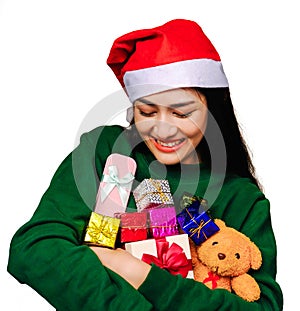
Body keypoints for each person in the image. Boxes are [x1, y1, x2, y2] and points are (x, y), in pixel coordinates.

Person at [7, 19, 283, 310]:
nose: (163, 131)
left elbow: (261, 307)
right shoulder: (105, 150)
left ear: (213, 111)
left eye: (181, 114)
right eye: (147, 112)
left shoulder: (241, 197)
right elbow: (36, 247)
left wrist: (135, 272)